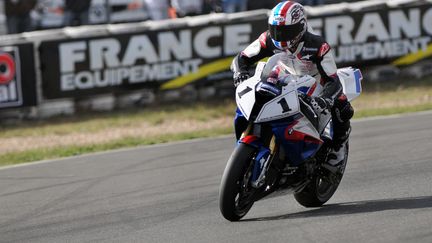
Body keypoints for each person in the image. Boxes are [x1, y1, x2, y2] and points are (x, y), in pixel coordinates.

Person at [231, 1, 354, 167]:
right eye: (276, 30)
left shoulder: (318, 45)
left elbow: (333, 80)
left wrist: (324, 99)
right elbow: (241, 58)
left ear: (301, 27)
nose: (280, 36)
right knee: (257, 96)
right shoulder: (267, 39)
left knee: (343, 106)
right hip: (282, 76)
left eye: (286, 31)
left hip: (314, 82)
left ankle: (338, 148)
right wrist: (240, 73)